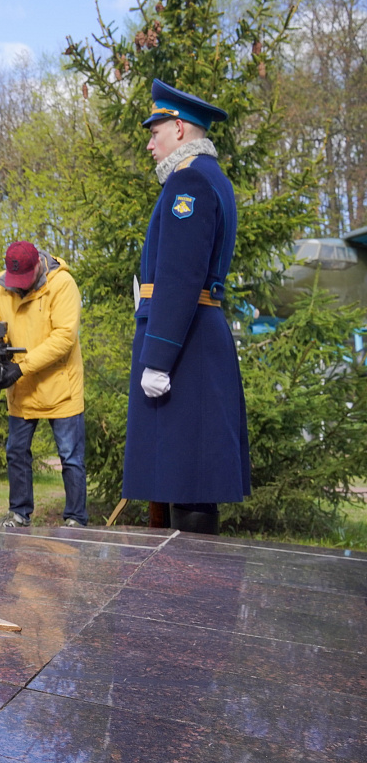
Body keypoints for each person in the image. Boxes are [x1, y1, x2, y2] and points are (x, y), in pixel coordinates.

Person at [123, 79, 250, 535]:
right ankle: (192, 585)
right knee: (187, 473)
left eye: (155, 132)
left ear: (179, 129)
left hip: (184, 343)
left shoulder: (190, 180)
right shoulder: (210, 177)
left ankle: (193, 588)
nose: (150, 143)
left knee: (187, 475)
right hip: (193, 336)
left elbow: (179, 276)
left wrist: (157, 358)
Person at [0, 241, 87, 528]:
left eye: (23, 283)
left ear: (38, 266)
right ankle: (19, 512)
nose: (18, 289)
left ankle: (76, 518)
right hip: (23, 388)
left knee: (70, 457)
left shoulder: (63, 284)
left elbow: (64, 338)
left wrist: (21, 368)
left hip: (61, 386)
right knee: (16, 451)